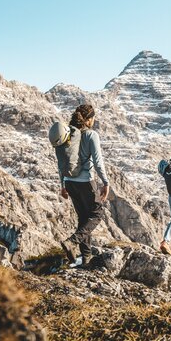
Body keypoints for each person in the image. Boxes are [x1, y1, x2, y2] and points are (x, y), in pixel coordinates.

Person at [58, 104, 110, 264]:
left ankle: (85, 257)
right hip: (86, 182)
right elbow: (98, 161)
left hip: (70, 182)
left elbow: (61, 161)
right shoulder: (91, 135)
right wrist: (106, 182)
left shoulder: (67, 134)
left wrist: (63, 184)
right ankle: (71, 242)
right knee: (97, 214)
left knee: (83, 218)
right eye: (93, 118)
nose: (94, 121)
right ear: (88, 119)